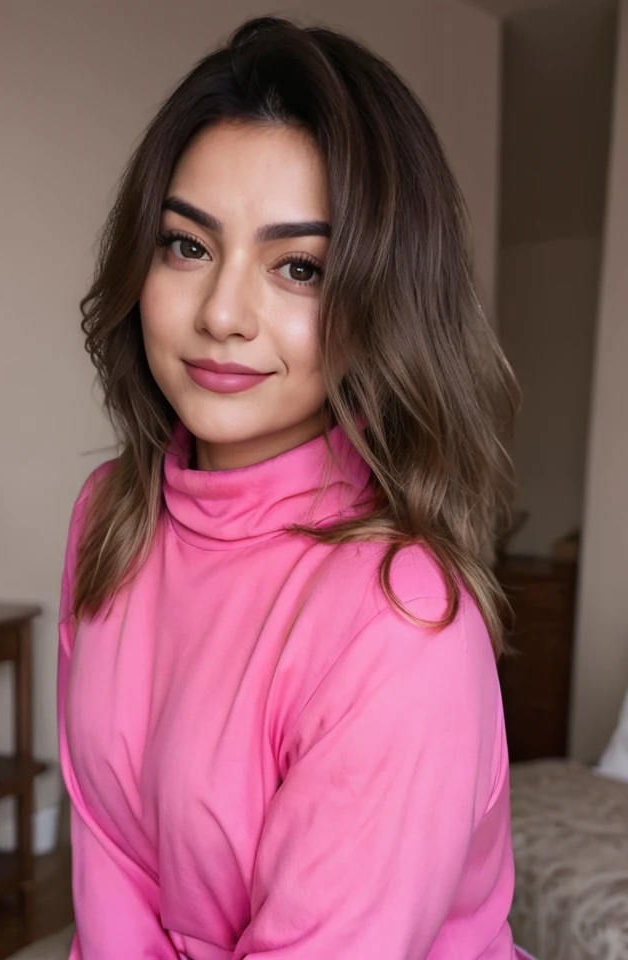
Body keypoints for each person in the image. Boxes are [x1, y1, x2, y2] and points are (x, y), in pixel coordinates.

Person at [57, 15, 528, 959]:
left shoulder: (403, 621)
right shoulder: (111, 512)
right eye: (187, 246)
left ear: (383, 302)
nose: (223, 313)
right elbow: (108, 853)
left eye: (299, 268)